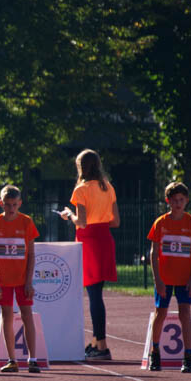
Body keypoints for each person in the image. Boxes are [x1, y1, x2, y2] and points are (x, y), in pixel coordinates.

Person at [59, 149, 119, 360]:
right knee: (96, 293)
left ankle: (102, 345)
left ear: (80, 168)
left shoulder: (81, 190)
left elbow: (82, 222)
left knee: (94, 295)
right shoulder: (108, 187)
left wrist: (69, 215)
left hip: (89, 240)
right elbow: (116, 221)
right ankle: (96, 342)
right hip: (104, 238)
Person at [146, 182, 191, 373]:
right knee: (160, 313)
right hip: (165, 277)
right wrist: (157, 280)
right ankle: (155, 353)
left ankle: (188, 357)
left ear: (186, 200)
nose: (178, 204)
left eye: (181, 200)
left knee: (185, 313)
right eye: (174, 200)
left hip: (184, 278)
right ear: (168, 201)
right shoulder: (160, 223)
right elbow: (153, 253)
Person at [0, 185, 41, 373]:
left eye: (14, 205)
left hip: (22, 279)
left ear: (20, 203)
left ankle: (33, 359)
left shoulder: (26, 222)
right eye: (7, 205)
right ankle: (12, 359)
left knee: (27, 315)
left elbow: (31, 254)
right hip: (3, 280)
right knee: (6, 316)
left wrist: (29, 281)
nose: (11, 208)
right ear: (1, 203)